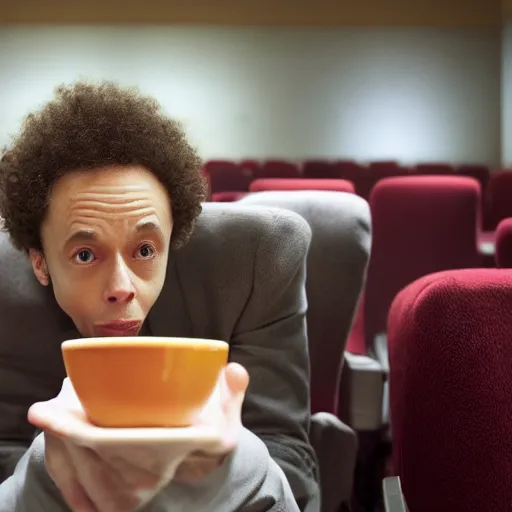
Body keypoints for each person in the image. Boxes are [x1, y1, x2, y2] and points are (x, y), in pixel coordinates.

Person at [0, 81, 320, 511]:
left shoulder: (257, 262)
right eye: (85, 253)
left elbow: (291, 464)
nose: (121, 288)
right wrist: (47, 469)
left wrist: (226, 466)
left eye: (146, 250)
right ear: (39, 262)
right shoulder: (5, 299)